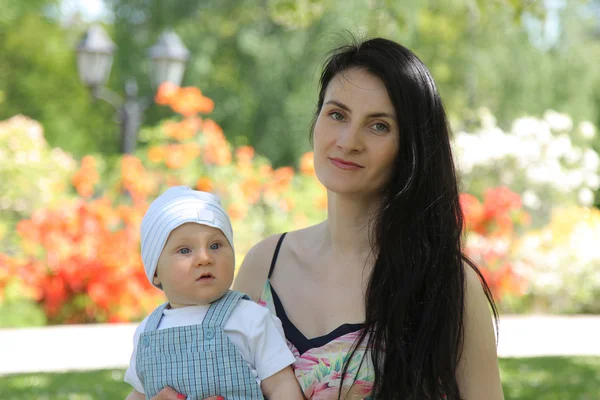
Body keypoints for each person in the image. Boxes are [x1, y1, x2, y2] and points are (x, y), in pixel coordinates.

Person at [151, 37, 505, 399]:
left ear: (411, 148)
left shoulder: (448, 284)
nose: (349, 141)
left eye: (379, 125)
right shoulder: (263, 266)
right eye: (337, 114)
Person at [124, 186, 304, 400]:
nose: (204, 258)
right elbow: (138, 394)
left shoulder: (250, 318)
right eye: (184, 250)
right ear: (155, 271)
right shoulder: (147, 332)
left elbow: (281, 387)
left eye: (216, 245)